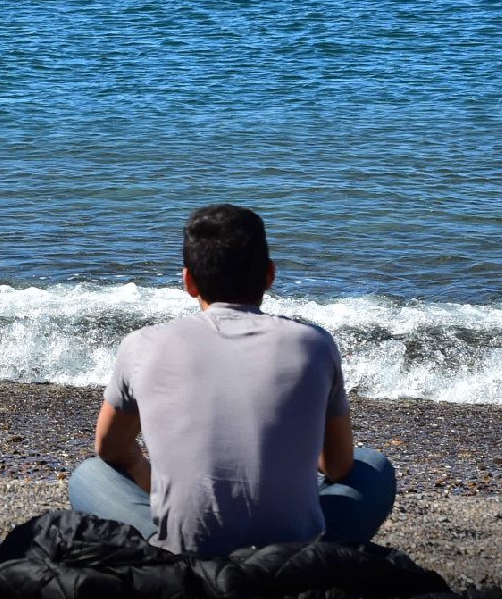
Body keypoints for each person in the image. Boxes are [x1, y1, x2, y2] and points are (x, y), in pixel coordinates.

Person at [68, 204, 396, 556]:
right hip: (294, 555)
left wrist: (139, 465)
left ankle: (176, 543)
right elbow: (338, 466)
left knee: (89, 475)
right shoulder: (313, 343)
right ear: (269, 275)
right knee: (372, 465)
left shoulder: (142, 344)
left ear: (188, 281)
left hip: (185, 557)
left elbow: (110, 448)